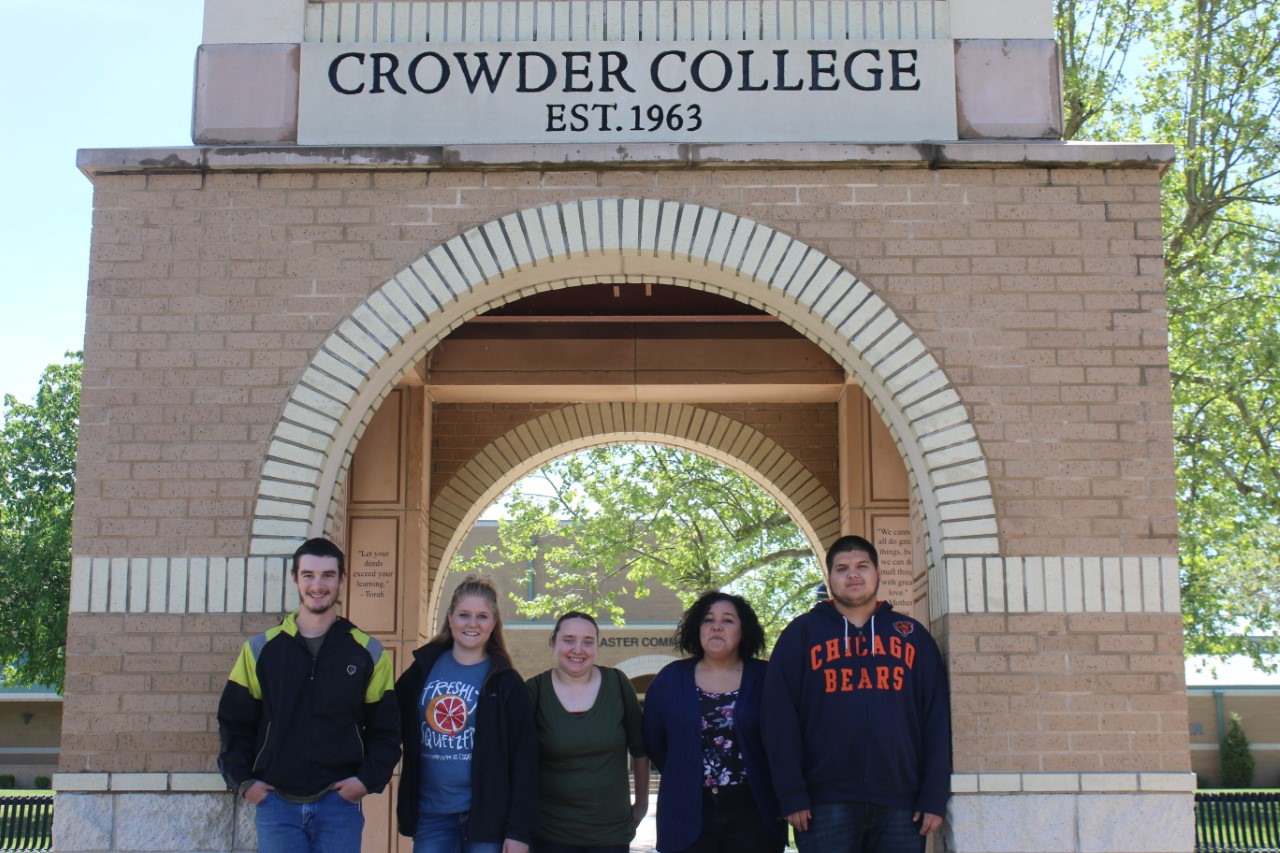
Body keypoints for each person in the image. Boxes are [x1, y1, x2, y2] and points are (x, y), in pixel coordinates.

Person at [762, 534, 951, 853]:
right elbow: (778, 719)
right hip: (823, 803)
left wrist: (933, 794)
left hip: (901, 802)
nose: (853, 574)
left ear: (877, 573)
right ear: (829, 576)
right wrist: (791, 791)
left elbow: (936, 718)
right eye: (842, 568)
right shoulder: (802, 634)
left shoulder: (911, 636)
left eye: (862, 566)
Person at [217, 536, 401, 853]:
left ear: (342, 579)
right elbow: (234, 721)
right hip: (276, 804)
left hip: (339, 806)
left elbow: (387, 729)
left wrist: (366, 781)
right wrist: (245, 782)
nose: (318, 585)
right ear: (295, 579)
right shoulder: (261, 650)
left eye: (328, 575)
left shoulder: (367, 652)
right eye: (309, 575)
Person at [394, 576, 539, 853]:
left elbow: (524, 761)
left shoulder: (505, 682)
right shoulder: (422, 670)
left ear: (493, 623)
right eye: (464, 615)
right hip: (432, 815)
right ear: (450, 618)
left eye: (482, 616)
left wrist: (519, 831)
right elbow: (387, 723)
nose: (472, 624)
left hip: (487, 818)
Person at [642, 591, 786, 853]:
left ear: (744, 631)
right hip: (687, 809)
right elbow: (654, 741)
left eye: (728, 620)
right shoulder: (670, 680)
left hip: (753, 810)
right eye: (708, 620)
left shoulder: (766, 679)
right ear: (698, 629)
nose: (717, 626)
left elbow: (783, 739)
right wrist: (684, 772)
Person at [526, 611, 650, 853]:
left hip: (610, 834)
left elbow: (640, 748)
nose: (578, 649)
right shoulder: (534, 691)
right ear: (553, 643)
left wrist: (642, 804)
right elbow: (518, 761)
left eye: (588, 641)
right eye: (569, 640)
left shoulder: (617, 684)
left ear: (597, 645)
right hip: (551, 833)